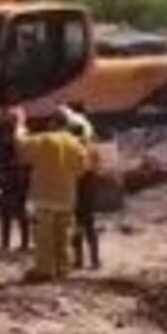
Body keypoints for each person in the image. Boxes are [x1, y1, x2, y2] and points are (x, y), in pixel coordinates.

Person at [12, 108, 92, 282]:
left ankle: (44, 270)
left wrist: (20, 123)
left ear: (52, 123)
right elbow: (82, 169)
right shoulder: (75, 143)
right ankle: (63, 268)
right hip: (66, 197)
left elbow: (21, 147)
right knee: (63, 235)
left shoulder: (43, 140)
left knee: (44, 236)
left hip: (43, 197)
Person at [61, 104, 102, 270]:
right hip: (89, 188)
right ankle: (94, 259)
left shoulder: (71, 149)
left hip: (77, 188)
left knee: (77, 224)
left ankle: (79, 260)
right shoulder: (92, 147)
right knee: (89, 224)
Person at [0, 123, 30, 253]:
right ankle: (7, 243)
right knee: (7, 213)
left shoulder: (19, 146)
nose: (5, 137)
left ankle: (23, 243)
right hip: (9, 182)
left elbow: (23, 166)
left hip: (16, 182)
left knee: (19, 212)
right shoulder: (6, 147)